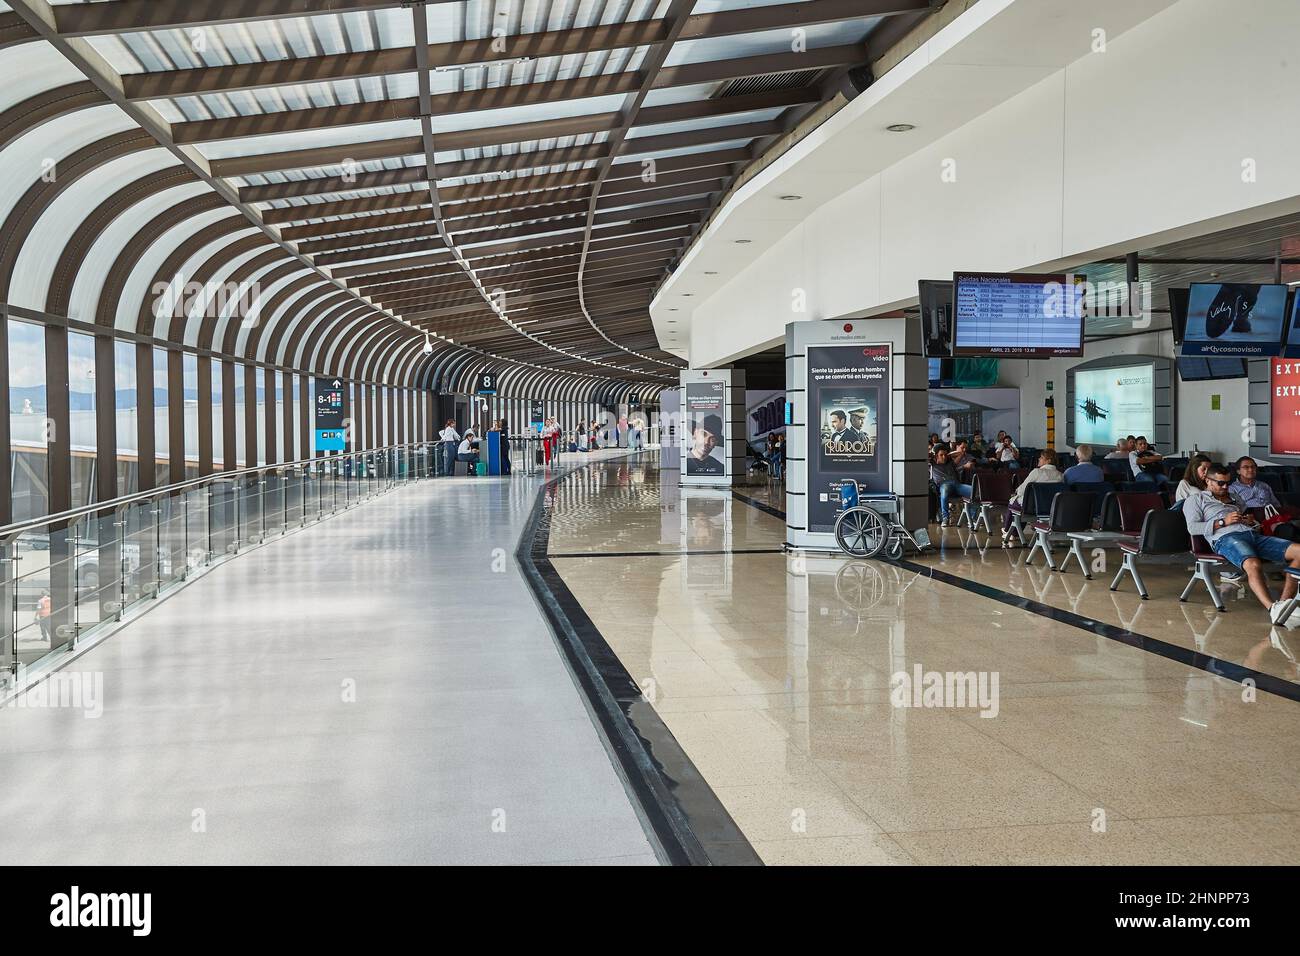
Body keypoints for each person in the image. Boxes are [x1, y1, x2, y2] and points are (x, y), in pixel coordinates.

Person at [1184, 463, 1300, 626]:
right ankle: (1272, 608)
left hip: (1252, 535)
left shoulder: (1235, 498)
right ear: (1208, 481)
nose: (1225, 487)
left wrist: (1251, 521)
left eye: (1227, 483)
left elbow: (1248, 519)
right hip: (1226, 539)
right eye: (1220, 483)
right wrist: (1223, 521)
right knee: (1252, 564)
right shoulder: (1196, 500)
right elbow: (1193, 527)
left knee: (1299, 552)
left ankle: (1284, 604)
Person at [1002, 449, 1064, 540]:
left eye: (1042, 457)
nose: (1039, 459)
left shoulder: (1037, 472)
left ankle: (1009, 531)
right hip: (1050, 507)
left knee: (1014, 503)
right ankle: (1011, 532)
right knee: (1021, 504)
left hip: (1032, 507)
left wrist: (1016, 492)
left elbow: (1022, 489)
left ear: (1048, 461)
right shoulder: (1060, 475)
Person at [929, 443, 973, 526]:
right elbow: (927, 455)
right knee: (944, 492)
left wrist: (948, 455)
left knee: (975, 491)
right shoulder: (932, 463)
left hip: (957, 485)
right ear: (936, 456)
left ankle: (973, 518)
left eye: (945, 455)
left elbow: (960, 453)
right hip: (944, 485)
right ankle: (945, 518)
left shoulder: (950, 462)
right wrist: (933, 453)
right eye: (941, 455)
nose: (944, 457)